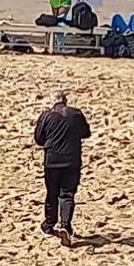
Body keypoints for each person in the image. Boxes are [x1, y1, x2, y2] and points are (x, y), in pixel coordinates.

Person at [34, 91, 91, 247]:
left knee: (52, 193)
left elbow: (39, 139)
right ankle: (65, 225)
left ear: (53, 101)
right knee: (67, 194)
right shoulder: (76, 114)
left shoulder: (46, 116)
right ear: (65, 101)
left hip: (52, 160)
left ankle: (49, 224)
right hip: (72, 160)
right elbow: (86, 133)